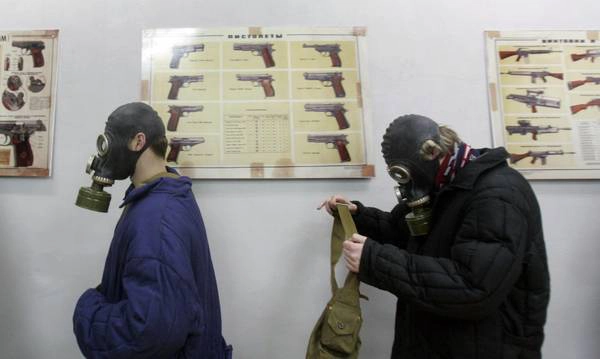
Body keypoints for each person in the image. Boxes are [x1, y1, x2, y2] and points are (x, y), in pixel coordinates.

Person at [322, 114, 549, 359]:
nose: (408, 187)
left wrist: (373, 260)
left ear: (431, 153)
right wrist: (358, 216)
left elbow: (472, 287)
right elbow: (407, 234)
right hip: (439, 343)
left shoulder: (498, 195)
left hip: (484, 347)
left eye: (406, 174)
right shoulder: (447, 185)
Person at [73, 102, 232, 359]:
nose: (104, 152)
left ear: (138, 141)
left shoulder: (156, 219)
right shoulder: (165, 192)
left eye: (109, 141)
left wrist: (87, 311)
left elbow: (147, 332)